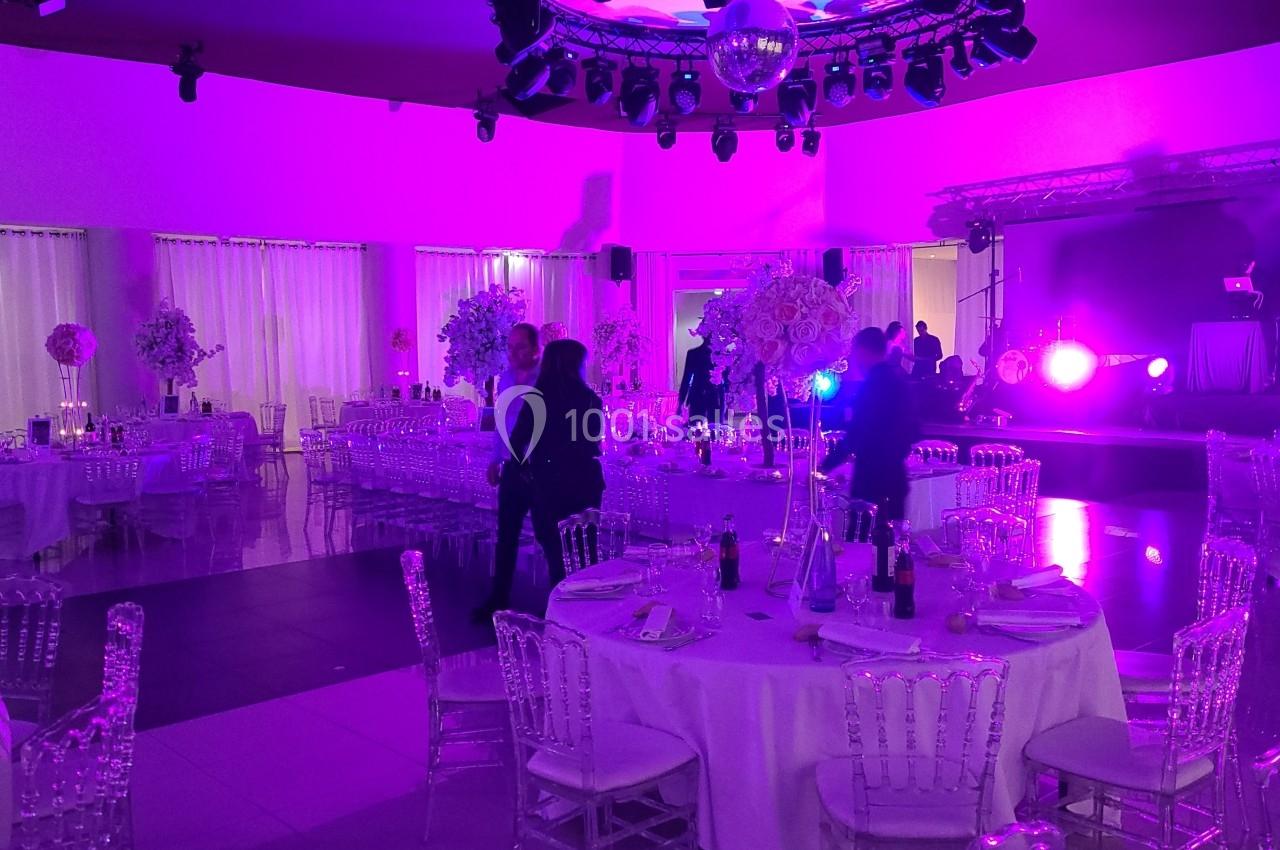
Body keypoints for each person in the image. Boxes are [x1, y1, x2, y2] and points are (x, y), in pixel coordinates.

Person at [511, 338, 606, 590]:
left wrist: (526, 471)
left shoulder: (537, 399)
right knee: (588, 549)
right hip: (583, 480)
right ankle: (587, 605)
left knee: (555, 552)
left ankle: (558, 606)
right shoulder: (589, 400)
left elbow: (518, 440)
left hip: (547, 480)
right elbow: (592, 443)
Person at [472, 322, 541, 622]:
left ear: (535, 349)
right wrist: (495, 459)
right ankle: (498, 597)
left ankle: (555, 602)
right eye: (510, 347)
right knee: (507, 533)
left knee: (548, 535)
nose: (513, 353)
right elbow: (502, 424)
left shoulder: (547, 379)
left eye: (520, 347)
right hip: (513, 465)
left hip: (539, 467)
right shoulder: (507, 379)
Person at [821, 327, 920, 524]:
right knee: (890, 543)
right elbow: (915, 429)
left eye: (854, 351)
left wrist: (825, 467)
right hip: (896, 475)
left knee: (865, 543)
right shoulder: (899, 381)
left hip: (873, 478)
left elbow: (857, 434)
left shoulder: (872, 384)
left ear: (863, 351)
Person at [677, 335, 724, 425]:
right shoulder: (720, 354)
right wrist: (680, 402)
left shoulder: (694, 353)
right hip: (707, 396)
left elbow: (686, 379)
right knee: (712, 430)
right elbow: (686, 379)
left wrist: (681, 402)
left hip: (705, 396)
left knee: (701, 430)